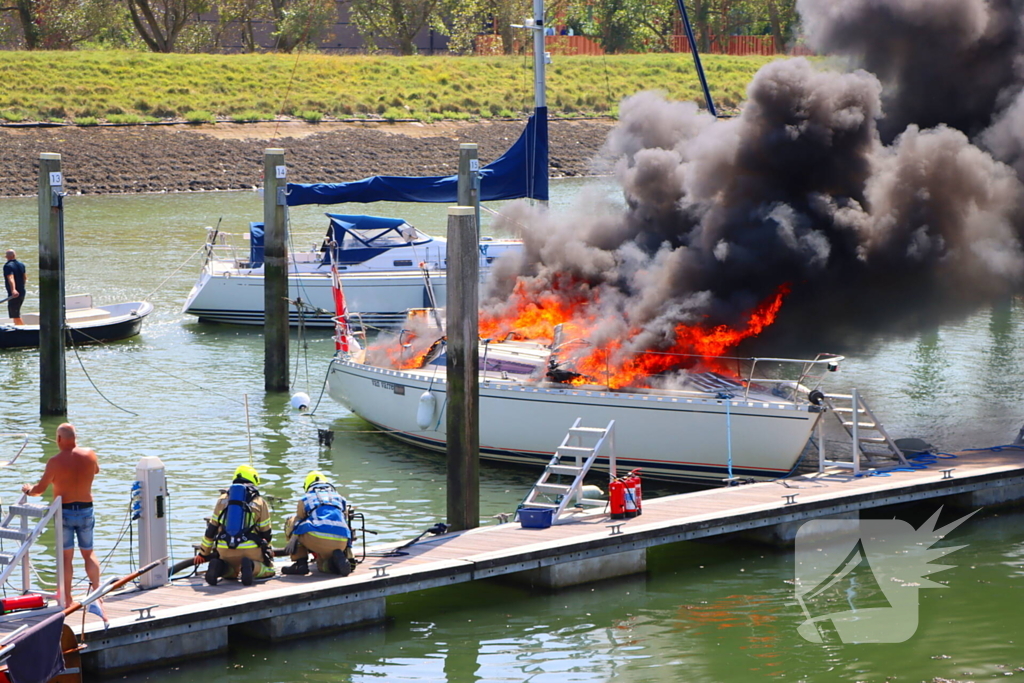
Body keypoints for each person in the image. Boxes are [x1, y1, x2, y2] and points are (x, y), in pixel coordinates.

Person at [21, 423, 101, 603]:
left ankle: (68, 598)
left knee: (66, 557)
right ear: (75, 437)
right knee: (88, 553)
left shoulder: (54, 462)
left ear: (58, 439)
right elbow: (96, 470)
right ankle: (97, 593)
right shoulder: (90, 454)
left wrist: (27, 489)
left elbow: (39, 490)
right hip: (86, 509)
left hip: (64, 512)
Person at [194, 465, 275, 586]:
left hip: (224, 548)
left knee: (231, 572)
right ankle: (252, 567)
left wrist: (203, 553)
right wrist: (268, 551)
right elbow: (266, 533)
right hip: (250, 549)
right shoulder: (259, 501)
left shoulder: (222, 499)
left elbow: (211, 529)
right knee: (269, 570)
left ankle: (219, 567)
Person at [282, 471, 353, 576]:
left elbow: (298, 521)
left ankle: (300, 564)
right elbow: (345, 521)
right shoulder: (340, 498)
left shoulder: (305, 498)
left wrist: (293, 538)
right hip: (342, 541)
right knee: (322, 566)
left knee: (292, 521)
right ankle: (338, 561)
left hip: (318, 538)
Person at [4, 249, 27, 325]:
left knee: (14, 314)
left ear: (6, 257)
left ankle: (22, 330)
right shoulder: (21, 264)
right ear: (14, 255)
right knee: (16, 312)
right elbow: (24, 277)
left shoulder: (7, 266)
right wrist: (21, 287)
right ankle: (18, 327)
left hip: (14, 294)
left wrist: (13, 290)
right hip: (22, 292)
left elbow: (11, 277)